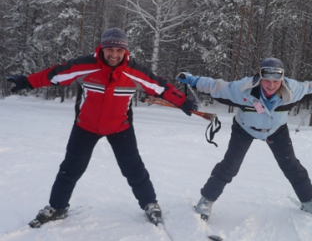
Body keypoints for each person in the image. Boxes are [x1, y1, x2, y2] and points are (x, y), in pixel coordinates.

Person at [8, 28, 197, 228]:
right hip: (86, 126)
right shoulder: (86, 65)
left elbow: (161, 87)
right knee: (70, 168)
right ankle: (57, 207)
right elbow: (55, 74)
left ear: (125, 51)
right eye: (110, 50)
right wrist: (27, 82)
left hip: (120, 127)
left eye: (119, 50)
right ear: (102, 48)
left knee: (133, 168)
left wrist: (182, 101)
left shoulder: (134, 71)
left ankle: (150, 204)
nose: (114, 55)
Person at [177, 57, 312, 222]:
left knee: (291, 166)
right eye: (267, 81)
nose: (271, 86)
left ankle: (308, 201)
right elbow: (216, 86)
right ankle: (206, 200)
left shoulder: (294, 89)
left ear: (282, 79)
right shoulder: (241, 89)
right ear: (260, 78)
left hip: (276, 130)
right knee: (230, 166)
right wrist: (192, 80)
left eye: (276, 81)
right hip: (244, 128)